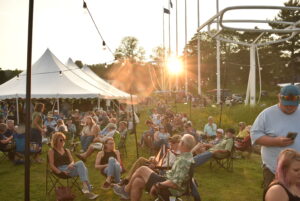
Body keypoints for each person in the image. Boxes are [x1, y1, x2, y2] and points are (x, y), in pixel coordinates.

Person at [113, 134, 196, 201]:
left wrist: (157, 185)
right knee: (137, 181)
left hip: (169, 189)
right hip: (167, 180)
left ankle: (125, 191)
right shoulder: (187, 157)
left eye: (180, 142)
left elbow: (174, 184)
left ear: (183, 144)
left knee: (142, 169)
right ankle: (127, 193)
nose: (179, 144)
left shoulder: (183, 161)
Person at [251, 85, 300, 190]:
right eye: (286, 104)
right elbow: (255, 136)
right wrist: (275, 141)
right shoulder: (267, 114)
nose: (290, 107)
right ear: (279, 97)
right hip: (274, 169)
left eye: (293, 105)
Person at [48, 132, 98, 199]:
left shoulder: (66, 150)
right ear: (55, 140)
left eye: (64, 139)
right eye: (61, 140)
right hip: (60, 170)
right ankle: (87, 187)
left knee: (83, 167)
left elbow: (72, 161)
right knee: (81, 164)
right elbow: (51, 165)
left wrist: (71, 164)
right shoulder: (52, 151)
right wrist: (60, 172)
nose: (63, 141)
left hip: (69, 168)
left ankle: (85, 187)